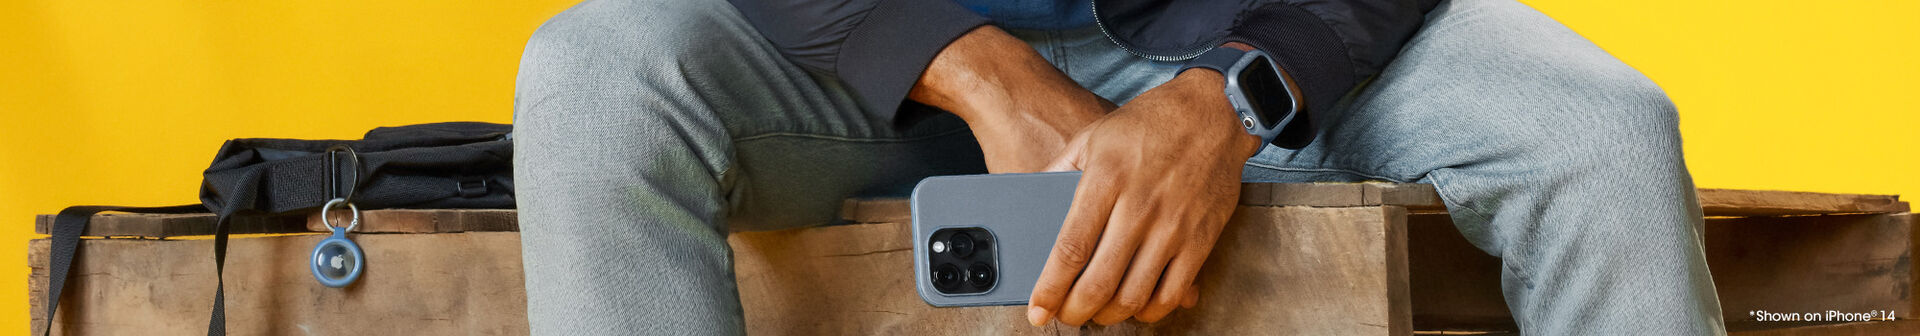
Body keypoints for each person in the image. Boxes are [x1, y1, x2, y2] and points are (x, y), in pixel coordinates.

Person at [510, 0, 1727, 333]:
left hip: (1262, 34)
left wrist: (1239, 92)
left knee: (1599, 134)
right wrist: (972, 69)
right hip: (849, 62)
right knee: (596, 74)